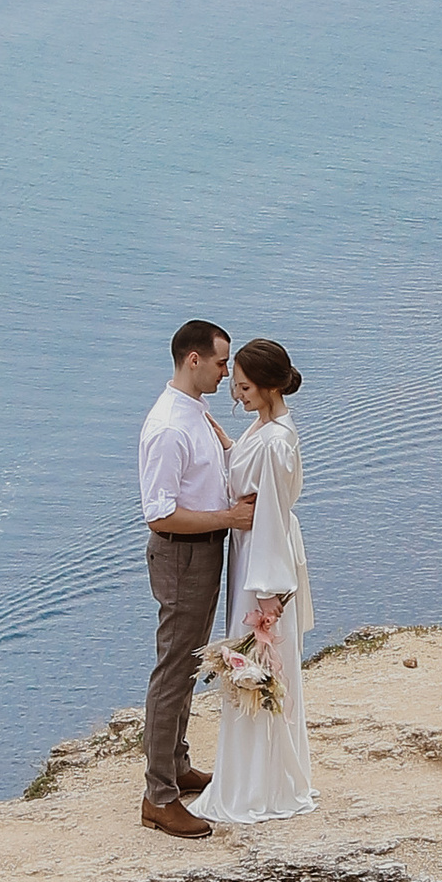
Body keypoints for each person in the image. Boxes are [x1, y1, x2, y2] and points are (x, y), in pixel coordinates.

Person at [135, 319, 255, 840]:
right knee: (174, 670)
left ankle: (177, 766)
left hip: (203, 551)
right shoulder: (169, 427)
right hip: (181, 554)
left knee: (187, 665)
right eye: (221, 362)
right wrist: (229, 518)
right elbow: (159, 513)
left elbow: (210, 476)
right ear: (194, 359)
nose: (227, 372)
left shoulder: (196, 412)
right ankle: (158, 797)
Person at [197, 340, 316, 826]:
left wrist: (267, 597)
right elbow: (251, 477)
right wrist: (229, 445)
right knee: (258, 671)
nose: (237, 394)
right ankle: (259, 780)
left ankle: (257, 787)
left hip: (261, 564)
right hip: (255, 553)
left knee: (260, 666)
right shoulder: (265, 429)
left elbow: (268, 514)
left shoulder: (273, 441)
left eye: (244, 387)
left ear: (268, 387)